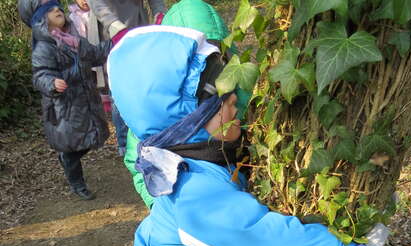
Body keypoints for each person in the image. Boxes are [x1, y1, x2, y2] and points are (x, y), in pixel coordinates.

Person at [108, 24, 390, 246]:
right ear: (194, 123)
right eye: (226, 105)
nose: (237, 108)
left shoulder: (197, 156)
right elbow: (259, 237)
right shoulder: (192, 190)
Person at [123, 0, 251, 209]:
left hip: (234, 192)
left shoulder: (238, 86)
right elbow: (136, 160)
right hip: (183, 199)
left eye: (217, 50)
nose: (210, 60)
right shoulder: (157, 107)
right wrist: (158, 204)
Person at [18, 0, 112, 200]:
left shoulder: (73, 39)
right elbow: (39, 75)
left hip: (85, 102)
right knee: (71, 148)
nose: (57, 10)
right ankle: (77, 183)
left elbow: (95, 54)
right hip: (64, 109)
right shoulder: (43, 46)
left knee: (91, 139)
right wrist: (51, 83)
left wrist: (116, 42)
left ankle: (68, 160)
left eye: (58, 7)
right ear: (41, 20)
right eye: (50, 10)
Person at [87, 0, 167, 156]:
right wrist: (114, 26)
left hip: (138, 26)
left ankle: (145, 135)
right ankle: (124, 143)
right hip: (110, 31)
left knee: (143, 83)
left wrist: (160, 12)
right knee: (118, 90)